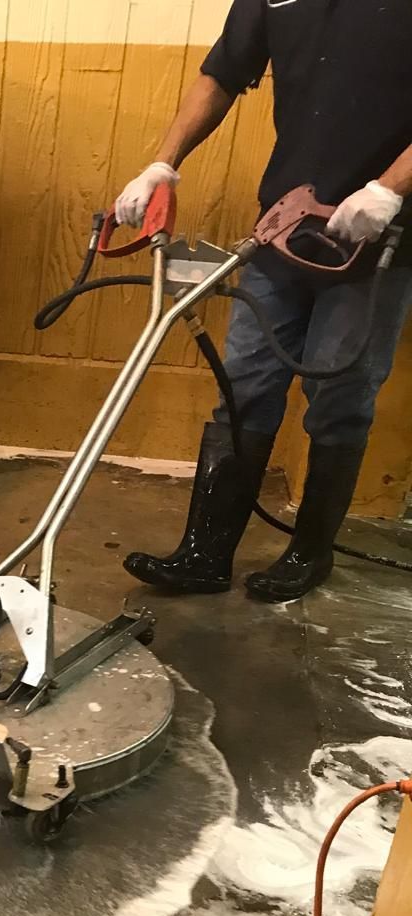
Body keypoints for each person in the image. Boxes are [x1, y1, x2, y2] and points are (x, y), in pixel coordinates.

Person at [114, 0, 412, 603]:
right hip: (285, 220)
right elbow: (222, 73)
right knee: (243, 386)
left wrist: (390, 187)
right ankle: (204, 554)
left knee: (340, 393)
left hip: (380, 231)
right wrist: (161, 163)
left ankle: (309, 554)